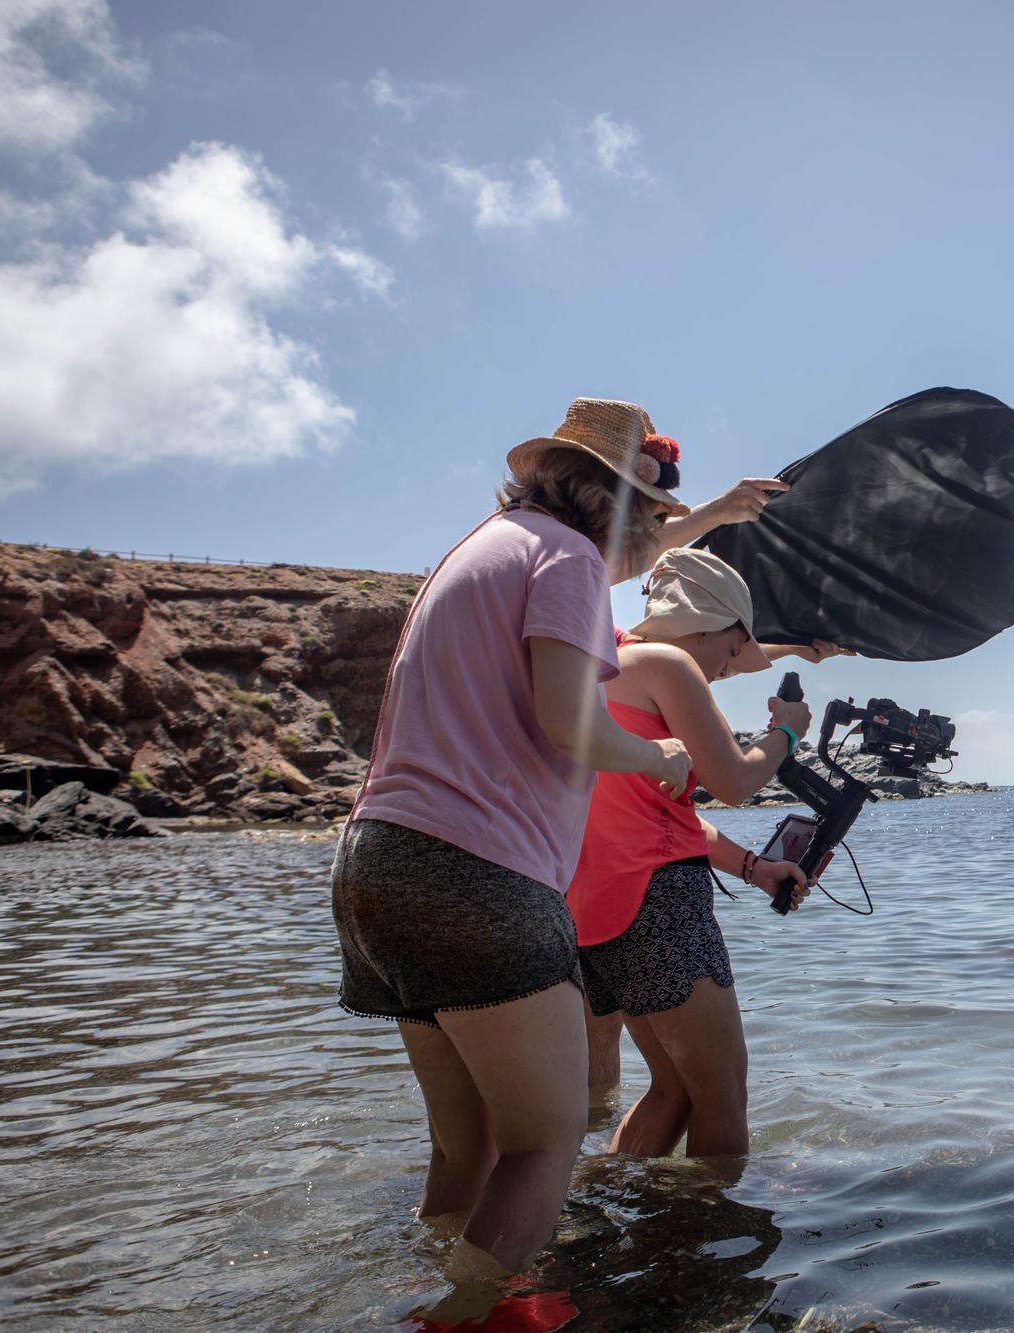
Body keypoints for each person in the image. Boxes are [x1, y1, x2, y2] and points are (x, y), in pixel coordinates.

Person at [330, 397, 696, 1288]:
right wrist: (659, 755)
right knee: (544, 1146)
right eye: (651, 517)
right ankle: (463, 1318)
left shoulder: (483, 548)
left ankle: (434, 1292)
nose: (653, 539)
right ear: (611, 503)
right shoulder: (567, 558)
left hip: (374, 863)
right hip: (477, 874)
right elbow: (571, 724)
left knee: (467, 1150)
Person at [567, 547, 817, 1158]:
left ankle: (603, 1200)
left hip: (596, 914)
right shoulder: (667, 663)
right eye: (733, 651)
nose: (728, 669)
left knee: (675, 1090)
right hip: (660, 904)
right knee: (724, 1095)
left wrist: (754, 870)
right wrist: (787, 730)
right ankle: (712, 1239)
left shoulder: (593, 675)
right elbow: (733, 782)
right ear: (712, 625)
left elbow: (658, 817)